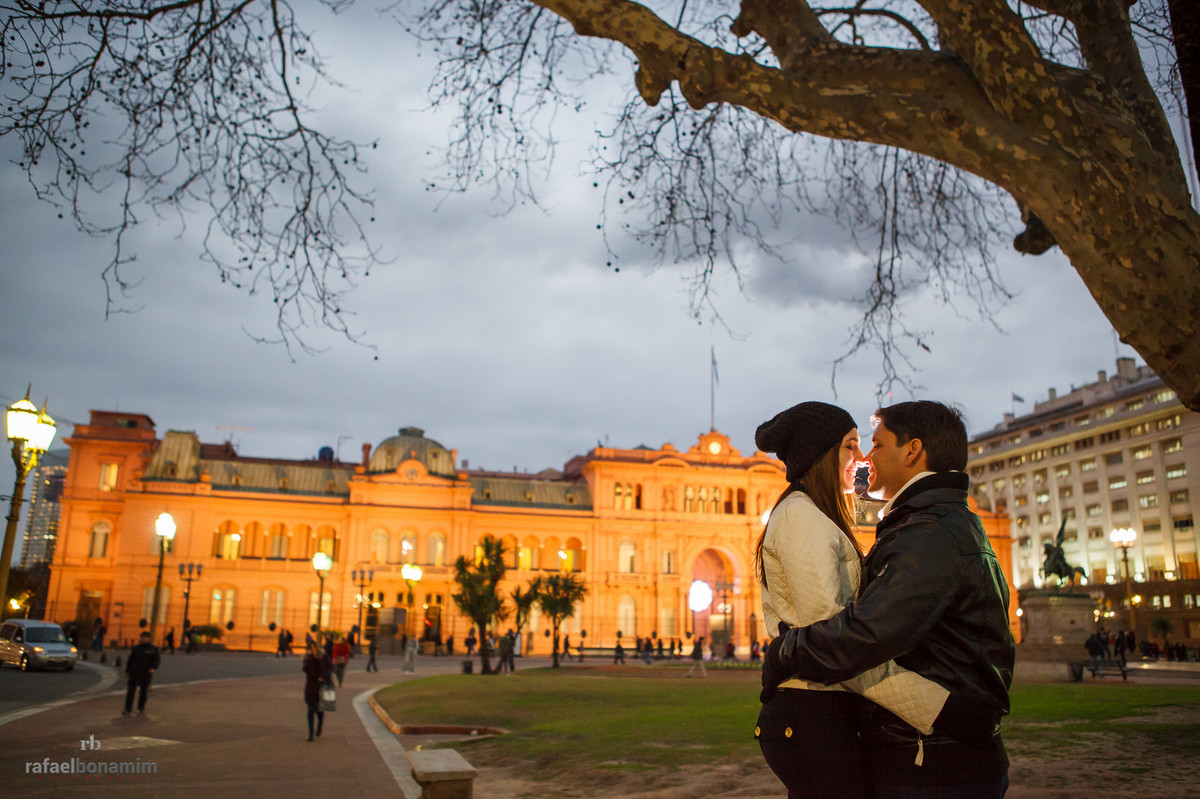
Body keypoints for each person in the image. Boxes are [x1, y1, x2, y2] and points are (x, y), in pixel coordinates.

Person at [763, 400, 1015, 798]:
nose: (865, 457)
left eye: (875, 444)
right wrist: (948, 710)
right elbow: (853, 640)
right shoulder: (932, 524)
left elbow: (858, 640)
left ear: (912, 451)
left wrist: (786, 651)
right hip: (924, 749)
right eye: (853, 446)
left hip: (932, 757)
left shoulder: (928, 530)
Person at [123, 631, 161, 716]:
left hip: (146, 673)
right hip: (135, 672)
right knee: (130, 691)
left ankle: (140, 708)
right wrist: (127, 671)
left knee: (143, 692)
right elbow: (131, 660)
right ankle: (127, 708)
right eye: (142, 637)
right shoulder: (136, 648)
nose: (143, 639)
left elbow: (157, 660)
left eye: (145, 637)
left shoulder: (153, 649)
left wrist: (153, 668)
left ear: (149, 638)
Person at [302, 642, 332, 741]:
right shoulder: (307, 658)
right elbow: (305, 669)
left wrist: (323, 677)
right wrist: (310, 657)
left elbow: (330, 666)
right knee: (310, 710)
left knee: (319, 709)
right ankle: (311, 734)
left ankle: (320, 723)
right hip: (310, 686)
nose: (313, 650)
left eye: (314, 648)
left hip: (320, 686)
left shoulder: (322, 657)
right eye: (311, 648)